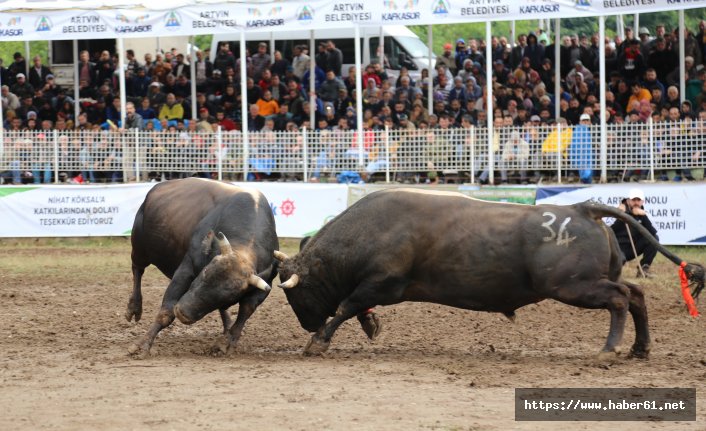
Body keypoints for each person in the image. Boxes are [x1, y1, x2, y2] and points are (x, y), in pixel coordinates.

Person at [611, 188, 658, 278]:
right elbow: (608, 229)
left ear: (642, 201)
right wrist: (619, 215)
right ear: (628, 201)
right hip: (616, 248)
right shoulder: (617, 211)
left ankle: (643, 270)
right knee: (619, 262)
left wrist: (643, 216)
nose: (636, 202)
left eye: (638, 200)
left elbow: (653, 232)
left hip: (633, 249)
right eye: (633, 200)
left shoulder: (645, 214)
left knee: (654, 239)